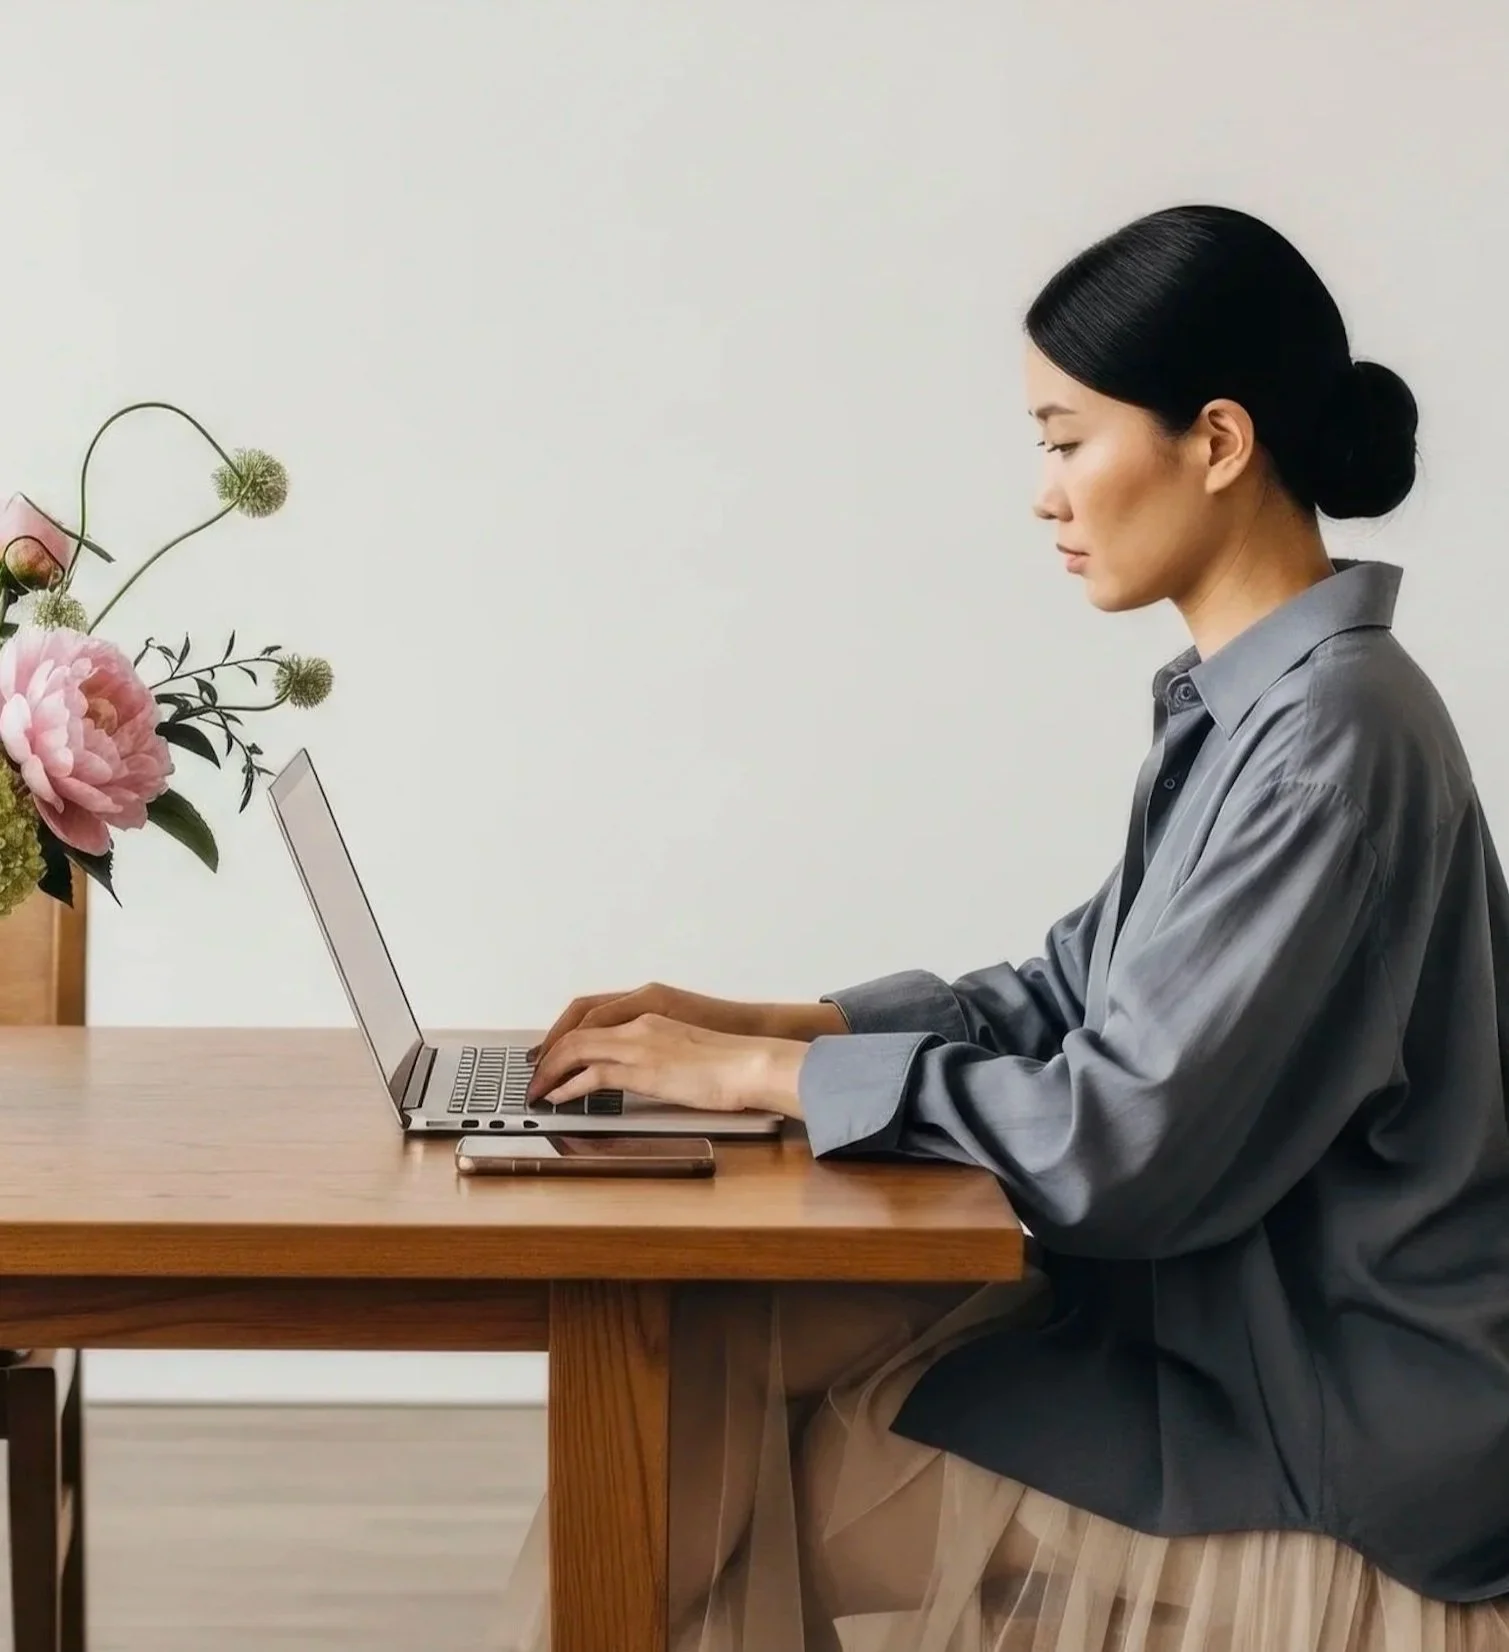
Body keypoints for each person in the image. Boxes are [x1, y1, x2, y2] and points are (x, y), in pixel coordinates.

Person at [494, 204, 1509, 1650]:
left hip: (1336, 1413)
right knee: (705, 1354)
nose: (1044, 493)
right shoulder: (1258, 706)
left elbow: (1118, 1145)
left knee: (708, 1455)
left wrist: (765, 1085)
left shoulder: (1328, 740)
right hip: (1226, 1344)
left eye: (1064, 437)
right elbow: (1067, 994)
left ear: (1216, 443)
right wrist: (767, 1027)